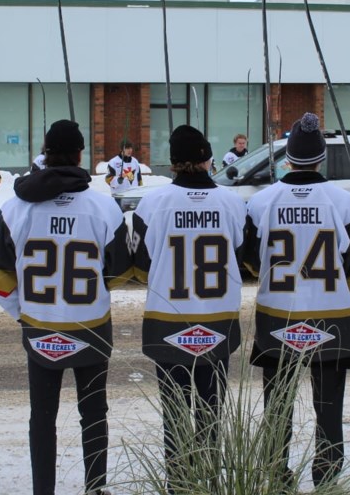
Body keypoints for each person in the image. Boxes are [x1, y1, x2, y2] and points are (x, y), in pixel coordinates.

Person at [0, 119, 132, 495]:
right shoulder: (104, 208)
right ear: (81, 154)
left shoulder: (15, 208)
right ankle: (96, 487)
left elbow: (0, 275)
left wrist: (23, 312)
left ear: (45, 153)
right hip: (91, 326)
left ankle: (43, 490)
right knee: (94, 413)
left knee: (42, 418)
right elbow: (118, 273)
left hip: (40, 327)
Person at [244, 113, 350, 489]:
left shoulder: (262, 201)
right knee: (329, 410)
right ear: (321, 158)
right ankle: (327, 477)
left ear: (288, 158)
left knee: (277, 408)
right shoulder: (342, 201)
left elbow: (251, 260)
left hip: (277, 318)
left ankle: (276, 474)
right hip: (332, 317)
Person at [132, 124, 246, 491]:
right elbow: (241, 255)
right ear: (208, 159)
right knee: (211, 409)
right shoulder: (232, 202)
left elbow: (139, 264)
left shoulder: (152, 203)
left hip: (169, 319)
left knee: (176, 414)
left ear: (173, 163)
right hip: (217, 319)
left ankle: (179, 484)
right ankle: (210, 483)